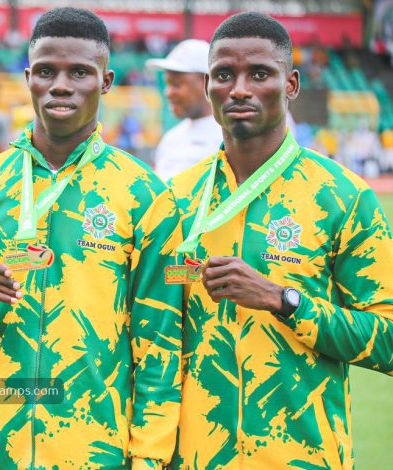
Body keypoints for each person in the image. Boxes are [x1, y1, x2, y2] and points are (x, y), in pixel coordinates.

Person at [0, 8, 182, 469]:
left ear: (107, 80)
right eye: (47, 71)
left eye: (80, 72)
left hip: (97, 450)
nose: (61, 85)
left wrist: (149, 458)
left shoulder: (144, 195)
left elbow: (161, 343)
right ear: (28, 77)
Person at [163, 12, 393, 468]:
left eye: (260, 74)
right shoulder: (173, 201)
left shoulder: (342, 197)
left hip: (300, 457)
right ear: (208, 86)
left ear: (291, 85)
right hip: (195, 458)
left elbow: (387, 340)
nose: (240, 89)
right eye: (224, 75)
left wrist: (284, 300)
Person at [146, 39, 223, 181]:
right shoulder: (171, 138)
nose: (168, 92)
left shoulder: (229, 139)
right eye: (167, 84)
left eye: (177, 84)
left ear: (207, 82)